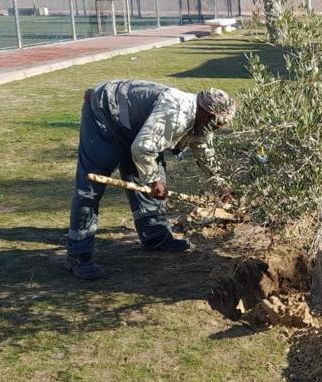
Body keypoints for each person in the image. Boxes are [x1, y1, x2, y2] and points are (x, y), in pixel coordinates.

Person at [65, 80, 236, 279]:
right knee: (91, 187)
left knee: (149, 176)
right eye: (218, 125)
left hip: (136, 127)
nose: (218, 129)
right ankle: (78, 254)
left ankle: (155, 236)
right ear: (208, 115)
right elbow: (143, 148)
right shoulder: (175, 114)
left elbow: (204, 152)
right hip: (105, 115)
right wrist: (154, 181)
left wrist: (221, 186)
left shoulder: (202, 122)